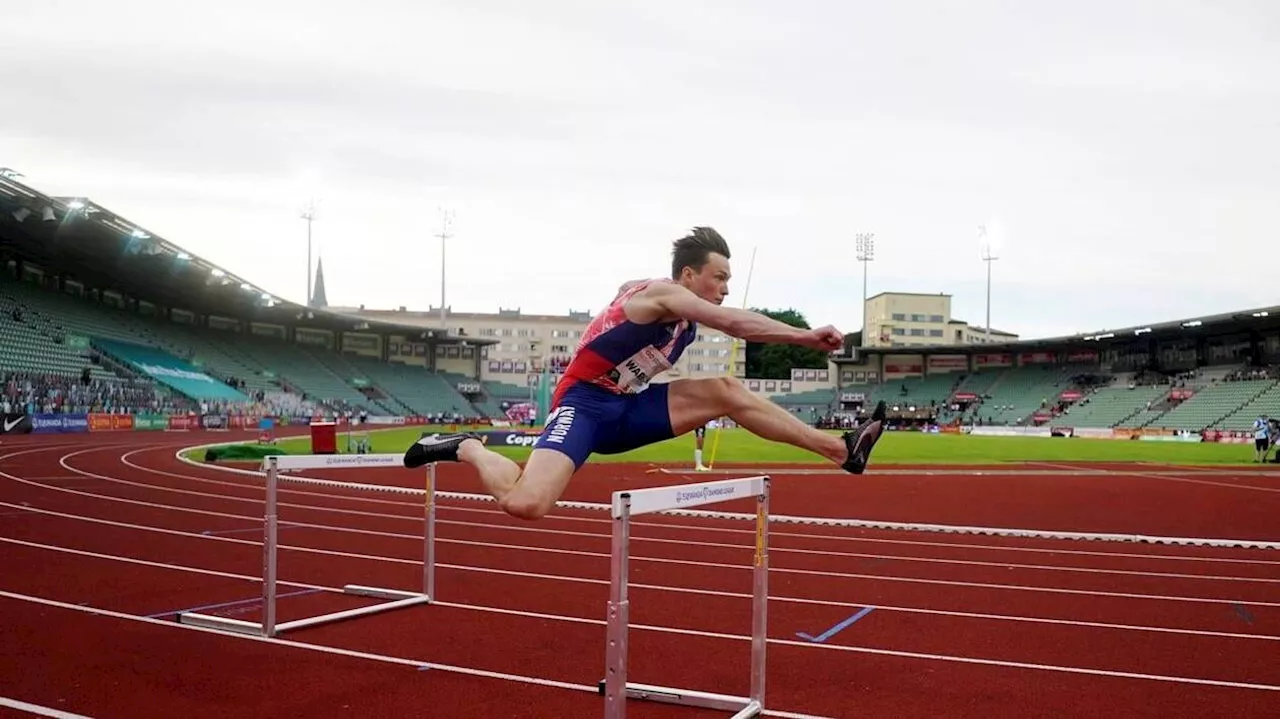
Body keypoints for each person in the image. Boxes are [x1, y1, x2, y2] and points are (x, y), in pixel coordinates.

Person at [403, 227, 888, 520]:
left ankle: (843, 451)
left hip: (630, 407)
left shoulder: (677, 313)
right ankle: (465, 445)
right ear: (687, 276)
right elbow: (737, 323)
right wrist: (803, 336)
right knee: (528, 504)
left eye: (727, 280)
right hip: (584, 404)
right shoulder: (664, 295)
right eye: (718, 277)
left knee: (724, 388)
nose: (723, 288)